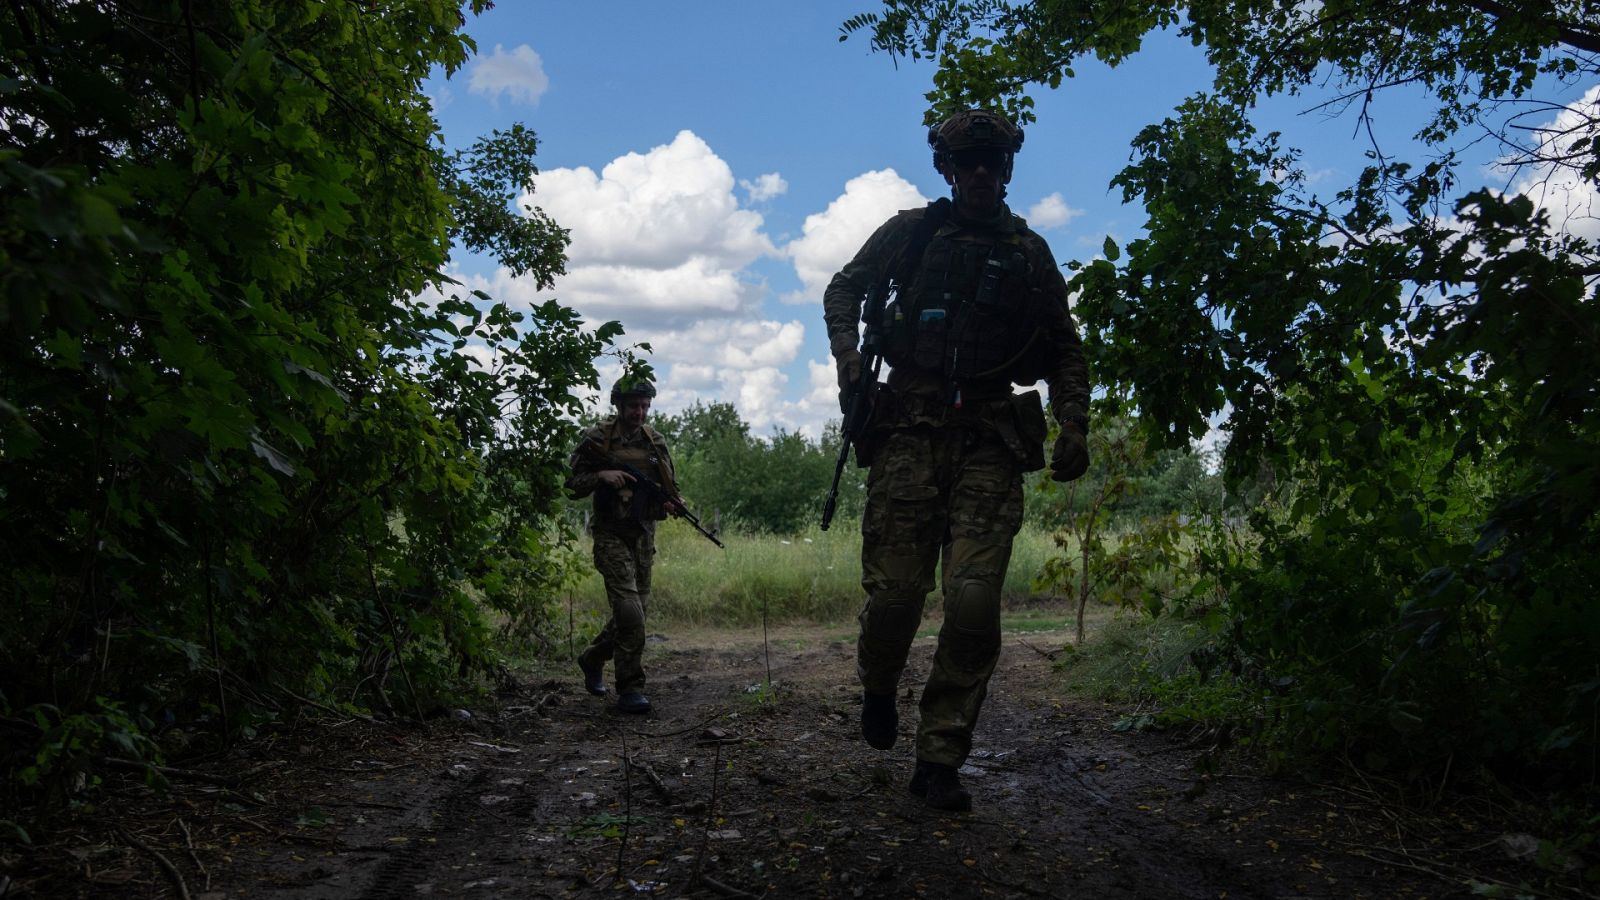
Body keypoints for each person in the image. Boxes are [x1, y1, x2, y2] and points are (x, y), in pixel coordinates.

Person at [822, 108, 1091, 811]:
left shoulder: (1029, 254)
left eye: (992, 162)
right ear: (947, 167)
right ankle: (878, 685)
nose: (979, 172)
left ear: (1006, 170)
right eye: (967, 161)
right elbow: (843, 288)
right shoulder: (911, 235)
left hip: (989, 439)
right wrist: (851, 364)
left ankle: (939, 756)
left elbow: (1064, 345)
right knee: (896, 599)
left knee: (973, 605)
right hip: (908, 431)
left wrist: (1074, 425)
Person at [565, 376, 682, 714]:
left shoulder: (654, 442)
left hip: (643, 536)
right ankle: (630, 688)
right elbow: (572, 484)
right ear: (618, 404)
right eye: (634, 406)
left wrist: (672, 503)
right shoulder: (597, 439)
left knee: (634, 614)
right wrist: (601, 476)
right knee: (630, 611)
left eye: (645, 406)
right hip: (610, 534)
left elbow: (668, 488)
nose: (640, 412)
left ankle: (592, 657)